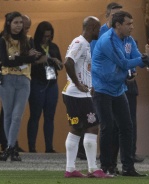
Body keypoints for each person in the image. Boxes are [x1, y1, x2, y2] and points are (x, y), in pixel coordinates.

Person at [92, 10, 149, 177]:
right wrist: (146, 57)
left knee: (126, 127)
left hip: (118, 88)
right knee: (108, 127)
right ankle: (106, 166)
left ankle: (128, 167)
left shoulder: (128, 40)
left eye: (132, 23)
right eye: (128, 24)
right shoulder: (107, 40)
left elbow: (139, 61)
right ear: (117, 25)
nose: (132, 27)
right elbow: (124, 63)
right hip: (103, 89)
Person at [62, 16, 111, 178]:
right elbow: (68, 62)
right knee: (92, 126)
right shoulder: (80, 43)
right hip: (77, 94)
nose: (99, 31)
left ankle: (70, 169)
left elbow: (82, 68)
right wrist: (78, 84)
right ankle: (92, 168)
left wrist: (90, 85)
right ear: (91, 28)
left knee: (77, 128)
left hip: (78, 93)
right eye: (97, 28)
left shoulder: (85, 44)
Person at [77, 1, 123, 161]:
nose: (118, 19)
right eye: (115, 15)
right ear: (107, 15)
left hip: (117, 85)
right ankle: (100, 158)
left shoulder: (123, 35)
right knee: (100, 122)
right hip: (99, 84)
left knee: (115, 125)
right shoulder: (99, 33)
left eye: (120, 16)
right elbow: (91, 59)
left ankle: (111, 160)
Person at [0, 11, 40, 161]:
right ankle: (10, 148)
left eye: (20, 23)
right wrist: (25, 58)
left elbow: (33, 59)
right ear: (9, 23)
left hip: (24, 80)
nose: (18, 25)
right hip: (7, 79)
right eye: (15, 22)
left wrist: (18, 58)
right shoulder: (3, 39)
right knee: (8, 115)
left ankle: (10, 147)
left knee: (17, 116)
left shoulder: (29, 40)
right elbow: (5, 61)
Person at [27, 21, 63, 153]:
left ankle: (49, 147)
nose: (47, 39)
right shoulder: (33, 46)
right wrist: (38, 61)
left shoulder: (53, 47)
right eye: (44, 36)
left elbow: (60, 65)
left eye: (49, 36)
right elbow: (27, 64)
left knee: (50, 116)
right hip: (37, 83)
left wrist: (57, 62)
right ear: (39, 35)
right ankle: (32, 147)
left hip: (52, 83)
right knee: (35, 115)